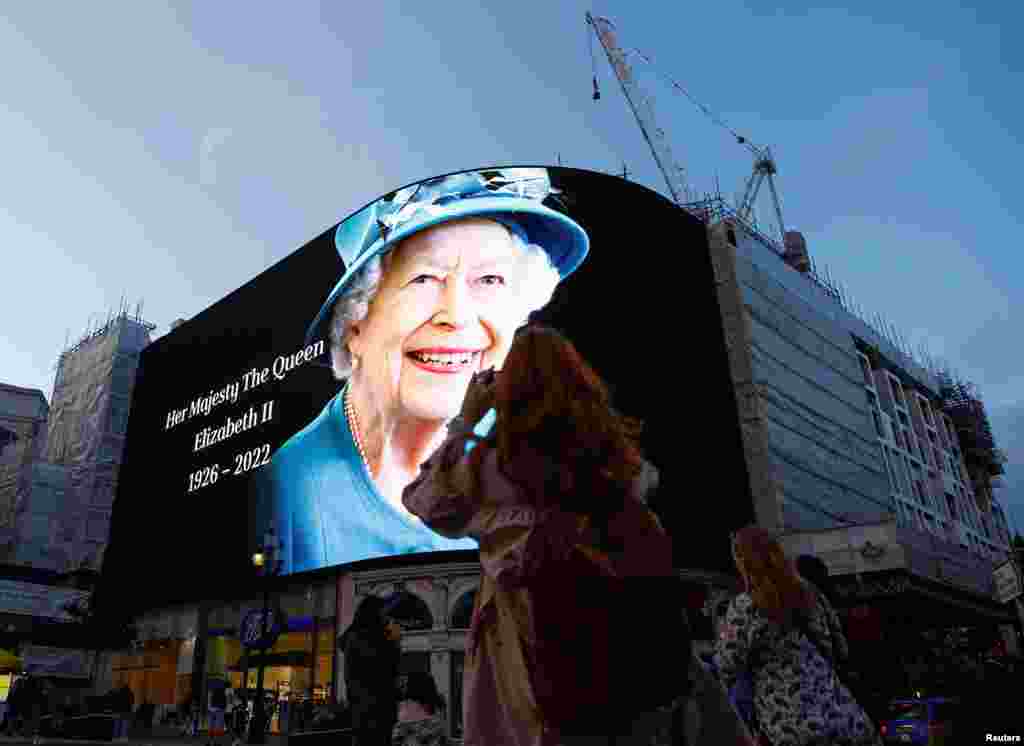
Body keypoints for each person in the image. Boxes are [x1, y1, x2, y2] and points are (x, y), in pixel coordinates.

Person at [402, 326, 753, 746]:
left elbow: (424, 500)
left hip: (551, 689)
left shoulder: (498, 472)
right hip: (644, 691)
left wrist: (468, 421)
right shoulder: (619, 472)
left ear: (508, 394)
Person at [252, 167, 590, 574]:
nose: (458, 315)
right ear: (354, 324)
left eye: (489, 279)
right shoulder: (292, 490)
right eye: (425, 278)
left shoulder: (544, 455)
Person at [714, 526, 881, 746]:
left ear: (743, 563)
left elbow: (726, 666)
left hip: (792, 727)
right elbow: (840, 649)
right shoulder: (813, 595)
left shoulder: (746, 606)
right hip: (845, 719)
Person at [340, 594, 403, 746]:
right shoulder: (364, 638)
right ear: (373, 613)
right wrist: (394, 643)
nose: (386, 617)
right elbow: (383, 669)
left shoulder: (358, 636)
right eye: (383, 612)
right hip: (373, 712)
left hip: (366, 711)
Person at [392, 671, 449, 746]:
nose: (403, 688)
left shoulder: (407, 706)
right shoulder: (438, 704)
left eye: (406, 685)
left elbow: (396, 737)